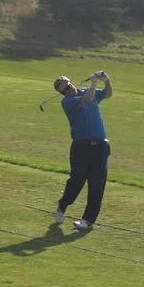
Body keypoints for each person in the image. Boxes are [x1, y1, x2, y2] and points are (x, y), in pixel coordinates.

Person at [53, 71, 113, 231]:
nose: (68, 90)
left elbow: (108, 93)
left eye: (68, 85)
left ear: (71, 82)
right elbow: (87, 100)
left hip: (101, 146)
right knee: (77, 181)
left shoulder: (86, 90)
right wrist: (94, 83)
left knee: (97, 184)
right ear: (61, 94)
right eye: (64, 90)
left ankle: (88, 220)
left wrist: (106, 80)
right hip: (81, 147)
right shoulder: (68, 102)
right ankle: (62, 205)